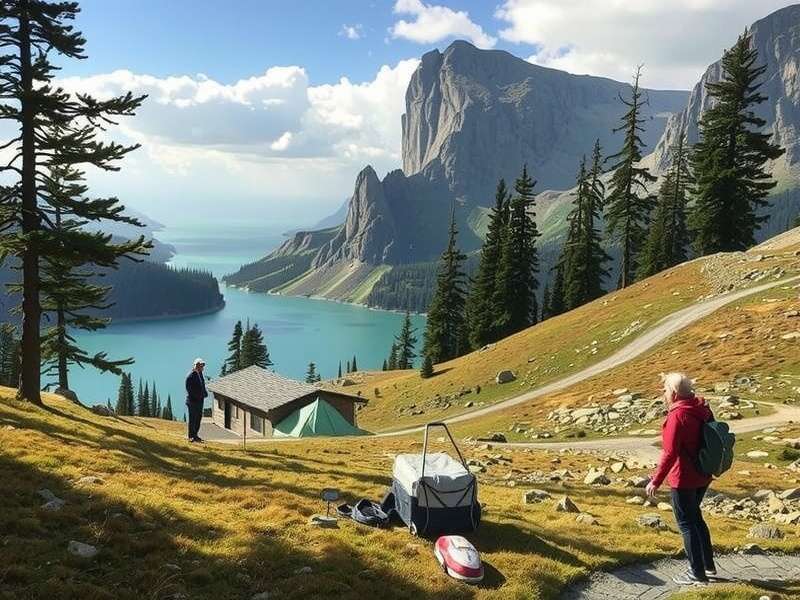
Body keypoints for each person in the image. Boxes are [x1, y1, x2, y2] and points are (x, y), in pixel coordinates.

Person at [646, 372, 716, 585]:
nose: (663, 394)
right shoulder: (702, 408)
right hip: (703, 474)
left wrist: (655, 481)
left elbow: (670, 452)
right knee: (696, 518)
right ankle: (708, 566)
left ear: (674, 393)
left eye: (665, 390)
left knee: (686, 524)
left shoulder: (678, 416)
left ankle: (697, 574)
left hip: (683, 478)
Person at [185, 357, 208, 443]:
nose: (202, 367)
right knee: (192, 419)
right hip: (192, 401)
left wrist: (204, 393)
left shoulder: (200, 374)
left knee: (198, 418)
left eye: (202, 366)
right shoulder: (190, 376)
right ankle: (191, 436)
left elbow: (202, 385)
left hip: (200, 401)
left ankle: (196, 435)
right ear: (196, 366)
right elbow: (189, 389)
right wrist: (198, 396)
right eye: (201, 365)